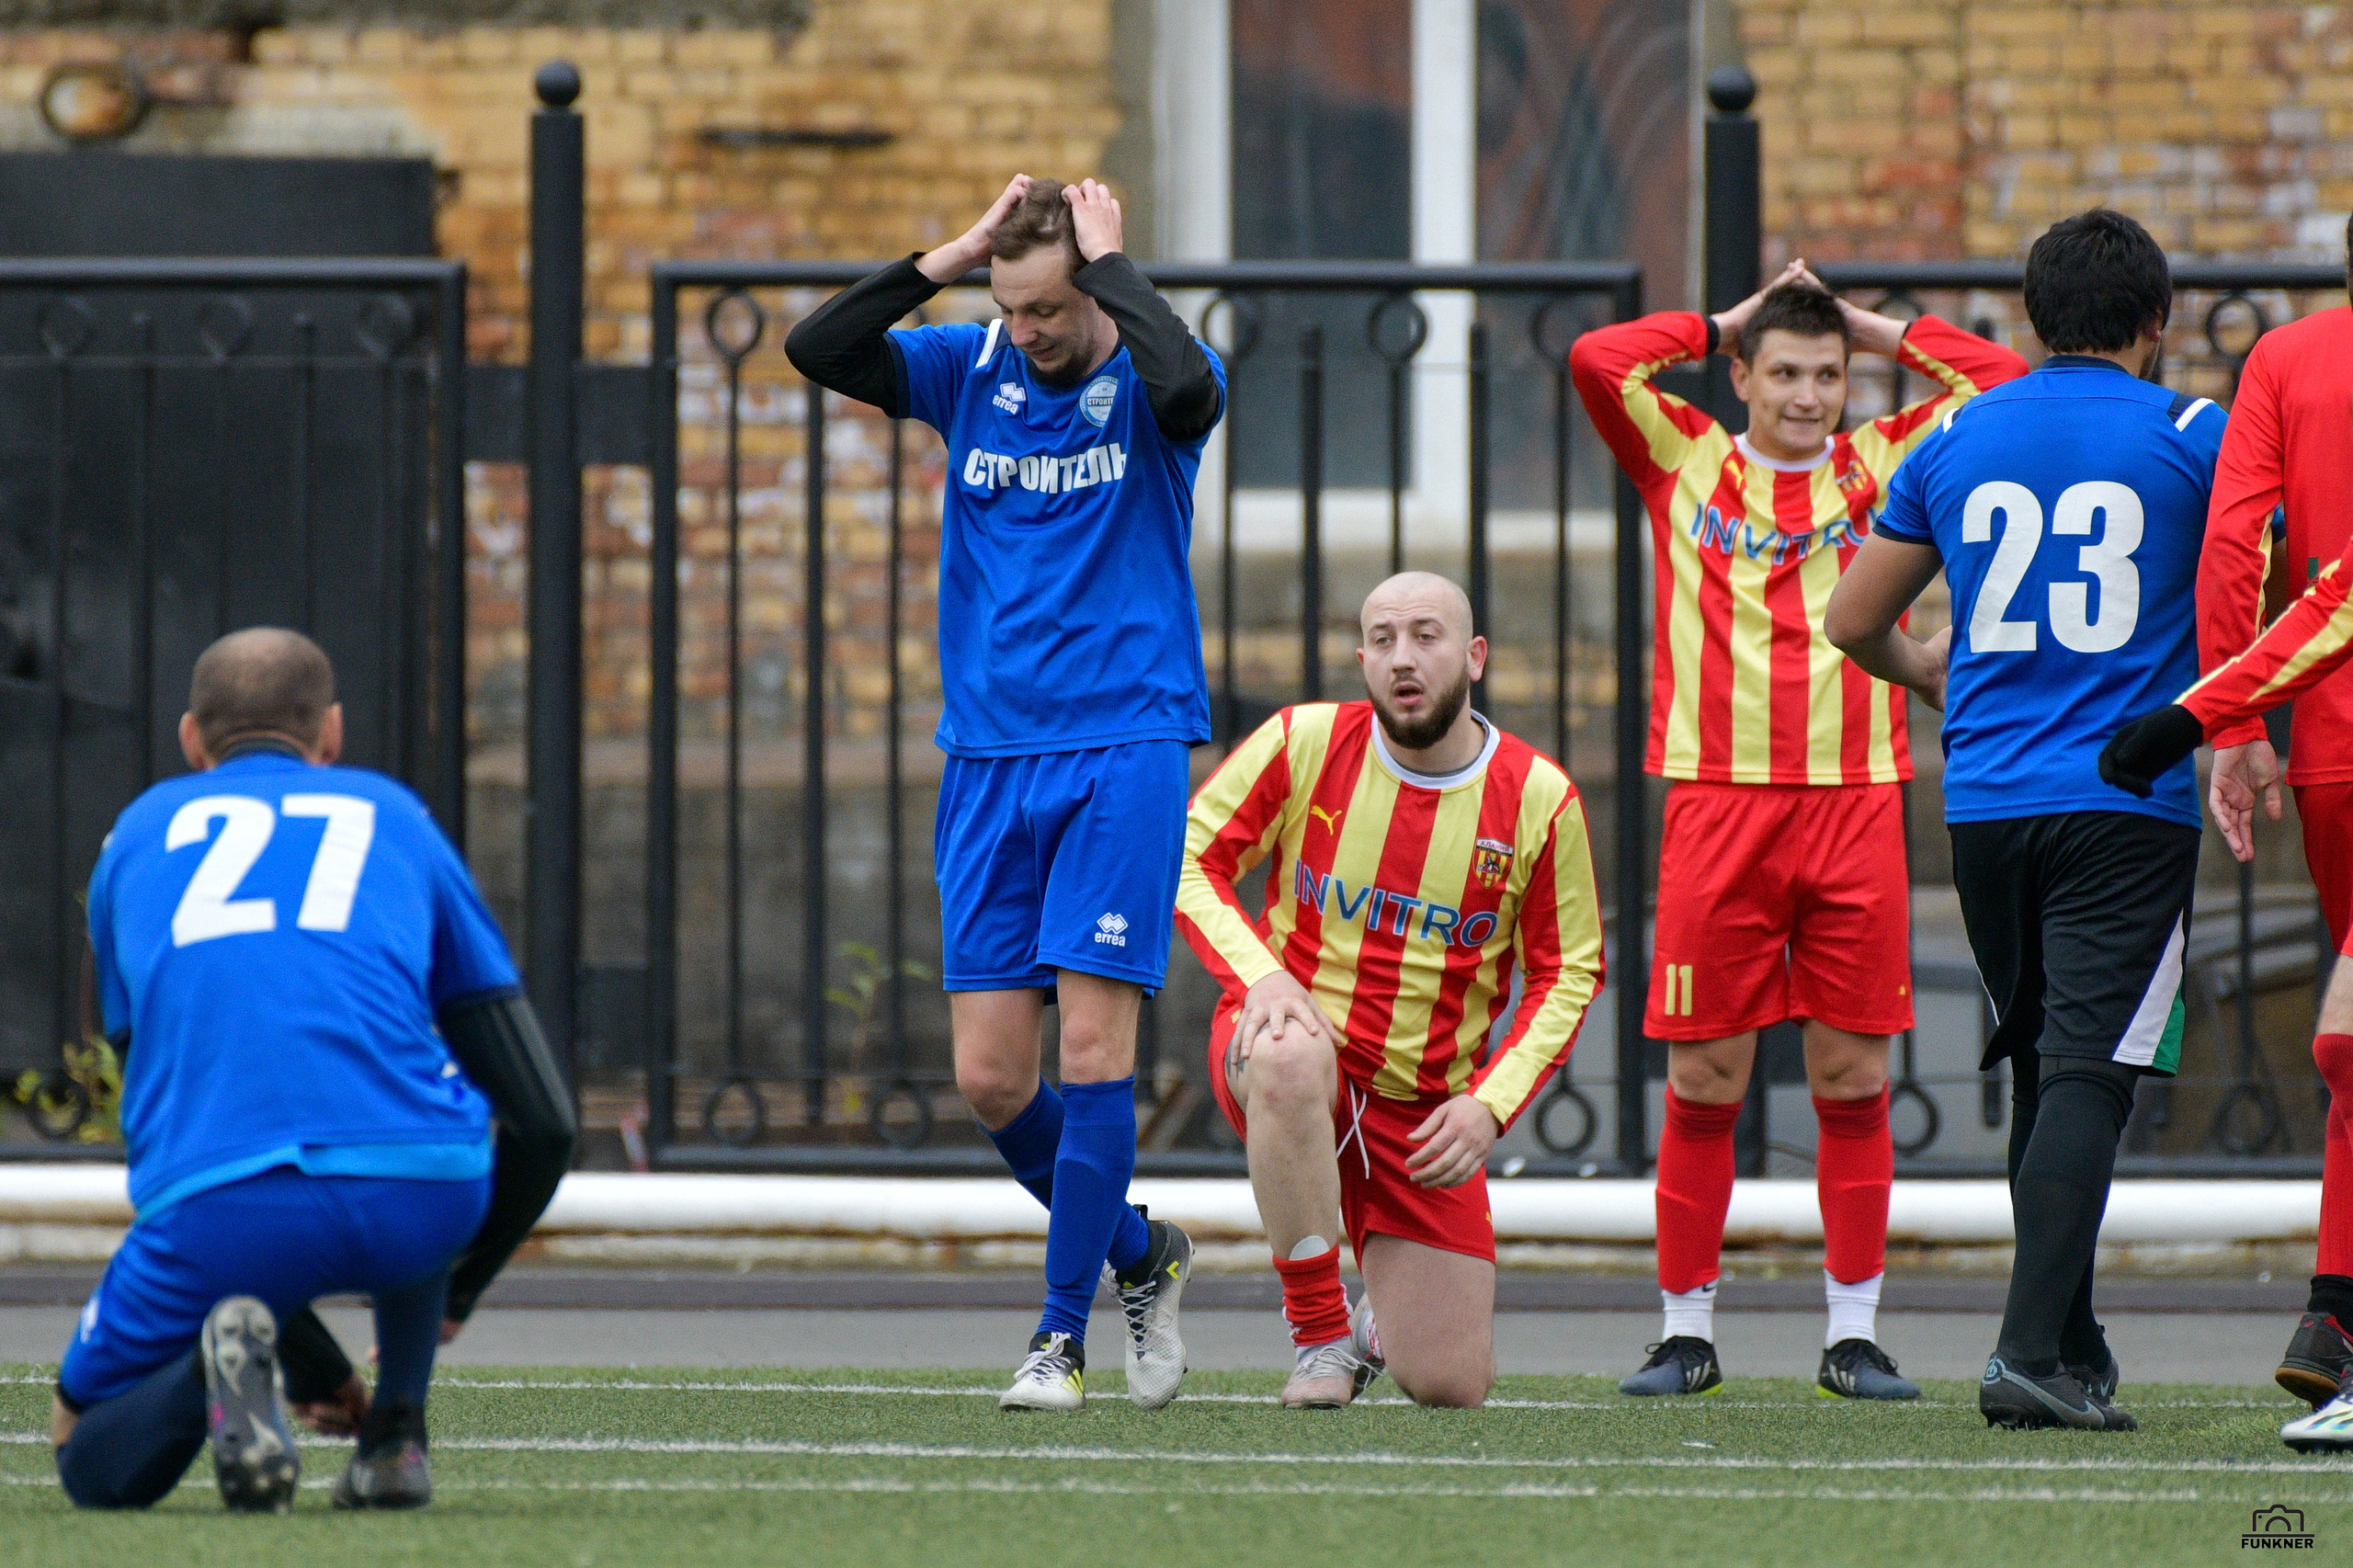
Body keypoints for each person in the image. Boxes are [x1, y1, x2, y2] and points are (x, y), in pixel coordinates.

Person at [785, 176, 1222, 1410]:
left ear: (1094, 287)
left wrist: (1119, 265)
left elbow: (1193, 392)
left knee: (1093, 1045)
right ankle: (1143, 1252)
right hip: (989, 756)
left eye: (1047, 306)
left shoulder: (1151, 368)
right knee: (990, 1078)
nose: (1027, 329)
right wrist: (952, 254)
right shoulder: (964, 364)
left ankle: (1057, 1337)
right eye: (1010, 303)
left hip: (1123, 744)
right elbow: (817, 346)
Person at [1570, 260, 2026, 1398]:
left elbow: (2006, 380)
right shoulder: (1684, 454)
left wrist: (1875, 327)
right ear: (1739, 376)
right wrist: (1723, 314)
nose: (1809, 394)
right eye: (1783, 371)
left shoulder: (1885, 460)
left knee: (1851, 1075)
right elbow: (1595, 358)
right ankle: (1685, 1332)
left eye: (1828, 373)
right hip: (1714, 799)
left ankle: (1851, 1334)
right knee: (1707, 1078)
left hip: (1854, 797)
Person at [1827, 208, 2223, 1431]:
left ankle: (2068, 1337)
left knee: (2052, 1063)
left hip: (1989, 798)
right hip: (2125, 796)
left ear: (2032, 318)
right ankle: (2022, 1353)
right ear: (2156, 325)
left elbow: (1850, 620)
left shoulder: (1957, 429)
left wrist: (1937, 671)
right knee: (2093, 1071)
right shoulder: (2192, 432)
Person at [52, 627, 575, 1510]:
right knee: (408, 1115)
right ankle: (395, 1440)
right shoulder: (395, 816)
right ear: (330, 734)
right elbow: (546, 1122)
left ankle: (209, 1383)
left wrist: (297, 1348)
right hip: (424, 1198)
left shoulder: (134, 838)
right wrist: (464, 1280)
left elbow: (172, 1126)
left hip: (227, 1208)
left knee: (83, 1449)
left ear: (191, 741)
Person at [1175, 573, 1604, 1409]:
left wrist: (1489, 1105)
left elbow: (1569, 971)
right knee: (1291, 1052)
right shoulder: (1302, 741)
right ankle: (1322, 1334)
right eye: (1382, 640)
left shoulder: (1540, 800)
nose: (1402, 659)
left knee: (1450, 1384)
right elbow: (1191, 857)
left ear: (1474, 657)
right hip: (1299, 1060)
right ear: (1363, 659)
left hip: (1424, 1114)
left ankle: (1382, 1330)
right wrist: (1263, 978)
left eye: (1426, 637)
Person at [2108, 223, 2353, 1412]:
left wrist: (2232, 719)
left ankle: (2335, 1307)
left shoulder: (2289, 361)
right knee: (2349, 1037)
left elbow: (2240, 543)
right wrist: (2214, 713)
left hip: (2330, 751)